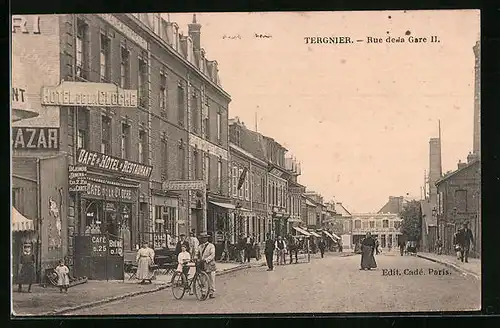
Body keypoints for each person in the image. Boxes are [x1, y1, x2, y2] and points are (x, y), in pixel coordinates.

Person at [197, 233, 216, 299]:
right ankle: (203, 293)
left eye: (204, 238)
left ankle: (211, 292)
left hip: (210, 264)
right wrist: (195, 258)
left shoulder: (211, 246)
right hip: (202, 264)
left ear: (207, 239)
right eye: (202, 238)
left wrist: (206, 259)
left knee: (211, 279)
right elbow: (197, 253)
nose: (203, 239)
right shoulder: (199, 246)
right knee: (202, 279)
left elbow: (212, 255)